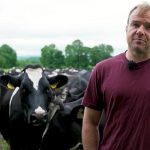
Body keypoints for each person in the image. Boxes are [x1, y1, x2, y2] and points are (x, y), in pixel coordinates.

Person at [82, 2, 150, 150]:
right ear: (127, 29)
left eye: (148, 27)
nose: (140, 31)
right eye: (135, 24)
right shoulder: (102, 69)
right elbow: (90, 122)